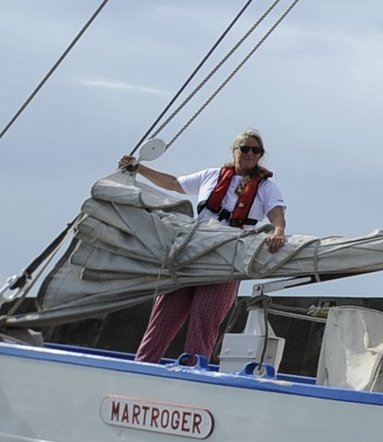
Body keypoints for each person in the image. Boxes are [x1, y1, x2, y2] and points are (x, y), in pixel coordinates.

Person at [118, 128, 289, 363]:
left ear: (260, 155)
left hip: (226, 257)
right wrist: (139, 169)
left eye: (256, 150)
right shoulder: (213, 175)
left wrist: (278, 230)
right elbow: (175, 184)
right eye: (245, 149)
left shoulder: (266, 187)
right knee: (163, 318)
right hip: (191, 253)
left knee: (204, 324)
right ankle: (142, 366)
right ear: (235, 151)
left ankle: (193, 371)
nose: (250, 154)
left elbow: (276, 212)